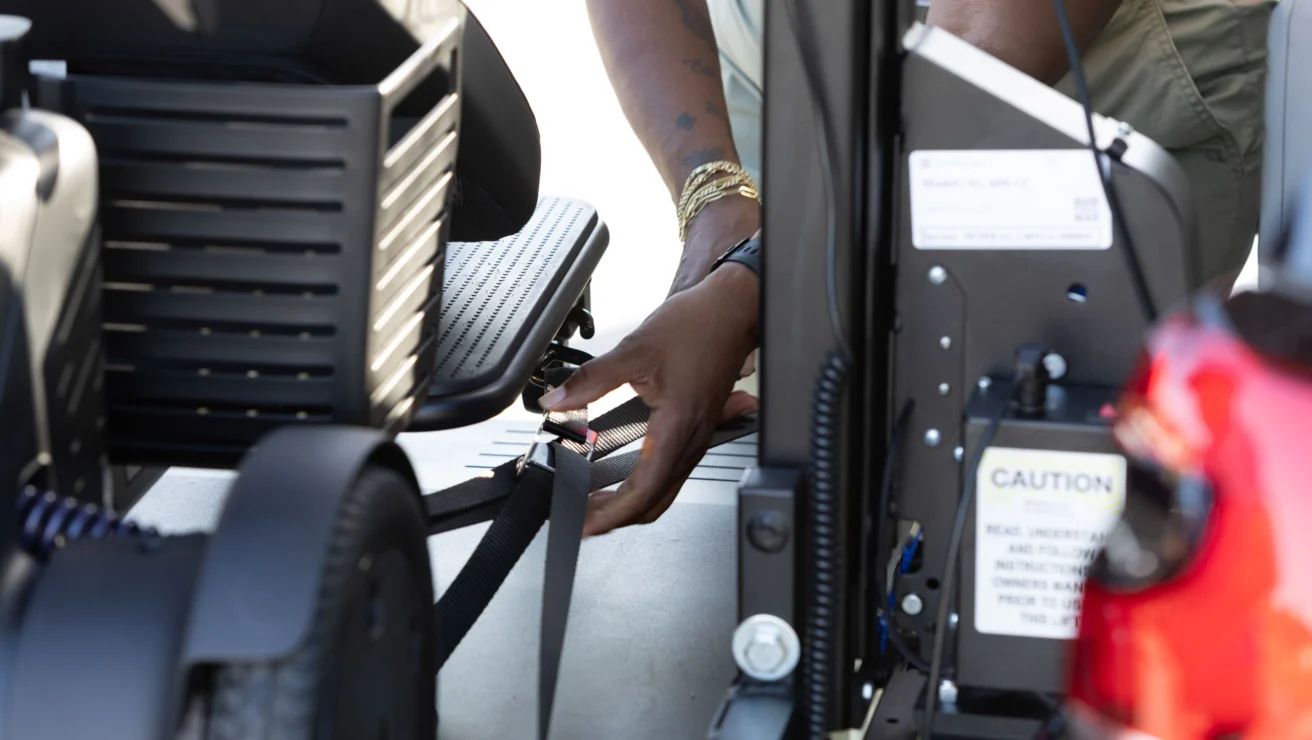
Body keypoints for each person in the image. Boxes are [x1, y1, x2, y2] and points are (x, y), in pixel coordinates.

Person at [546, 0, 1278, 537]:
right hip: (813, 38)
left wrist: (756, 279)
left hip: (1085, 62)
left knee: (1029, 495)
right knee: (813, 443)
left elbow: (972, 53)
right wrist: (717, 201)